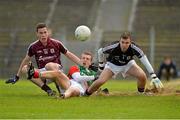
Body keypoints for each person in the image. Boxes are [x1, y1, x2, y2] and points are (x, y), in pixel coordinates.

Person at [6, 23, 82, 96]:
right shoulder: (33, 46)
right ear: (37, 34)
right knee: (25, 69)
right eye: (41, 33)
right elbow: (26, 60)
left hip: (56, 70)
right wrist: (17, 76)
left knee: (49, 65)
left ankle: (60, 89)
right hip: (43, 74)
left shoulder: (56, 43)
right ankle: (48, 90)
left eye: (45, 32)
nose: (43, 35)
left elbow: (69, 54)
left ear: (48, 33)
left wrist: (82, 64)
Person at [85, 31, 164, 96]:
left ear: (130, 42)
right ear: (120, 41)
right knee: (100, 81)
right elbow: (100, 51)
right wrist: (101, 65)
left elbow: (145, 60)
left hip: (128, 64)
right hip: (112, 65)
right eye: (122, 42)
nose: (124, 45)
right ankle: (87, 94)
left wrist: (153, 75)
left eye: (127, 43)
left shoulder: (134, 48)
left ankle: (140, 93)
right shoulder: (114, 46)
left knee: (142, 76)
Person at [27, 51, 100, 99]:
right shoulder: (75, 68)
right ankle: (35, 74)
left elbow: (93, 89)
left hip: (80, 91)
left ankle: (63, 96)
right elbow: (77, 78)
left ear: (90, 62)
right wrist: (93, 77)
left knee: (74, 89)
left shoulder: (91, 73)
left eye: (87, 59)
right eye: (83, 58)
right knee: (58, 73)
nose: (85, 60)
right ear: (80, 60)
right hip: (68, 84)